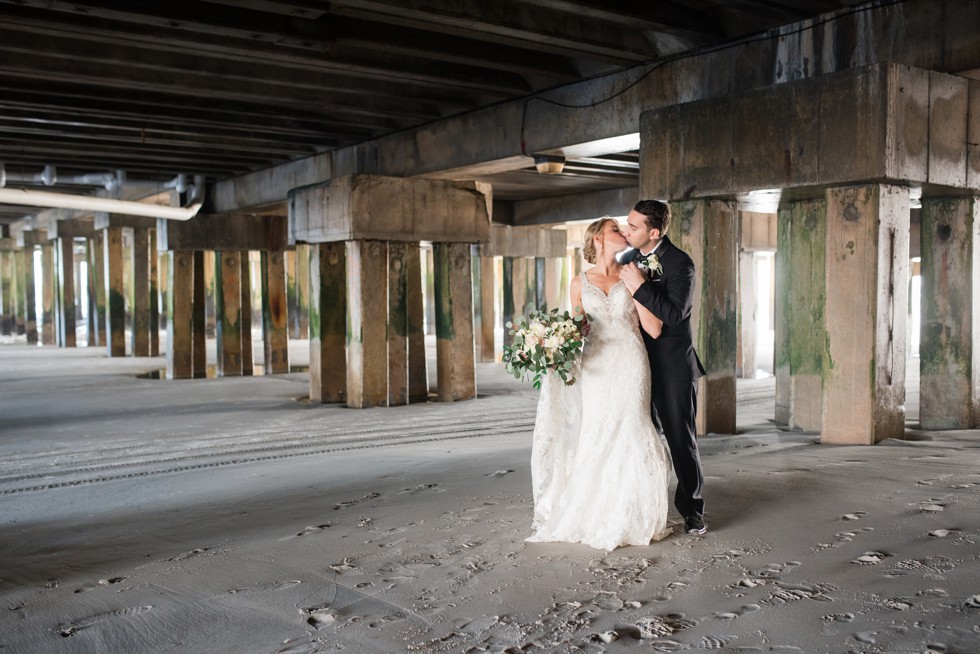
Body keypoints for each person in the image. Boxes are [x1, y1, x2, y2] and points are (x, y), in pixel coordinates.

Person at [527, 217, 673, 551]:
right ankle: (595, 511)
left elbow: (653, 328)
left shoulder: (634, 273)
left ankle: (636, 511)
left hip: (631, 363)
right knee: (598, 432)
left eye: (625, 230)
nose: (624, 233)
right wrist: (551, 345)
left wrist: (639, 285)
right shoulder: (579, 282)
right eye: (616, 230)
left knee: (634, 427)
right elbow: (578, 329)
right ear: (597, 238)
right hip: (595, 366)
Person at [619, 199, 708, 535]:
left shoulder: (680, 264)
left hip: (673, 368)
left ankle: (692, 509)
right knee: (639, 437)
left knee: (679, 439)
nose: (627, 230)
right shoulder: (627, 259)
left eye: (634, 226)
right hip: (635, 364)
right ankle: (645, 504)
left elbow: (674, 316)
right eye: (626, 223)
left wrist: (640, 286)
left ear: (654, 232)